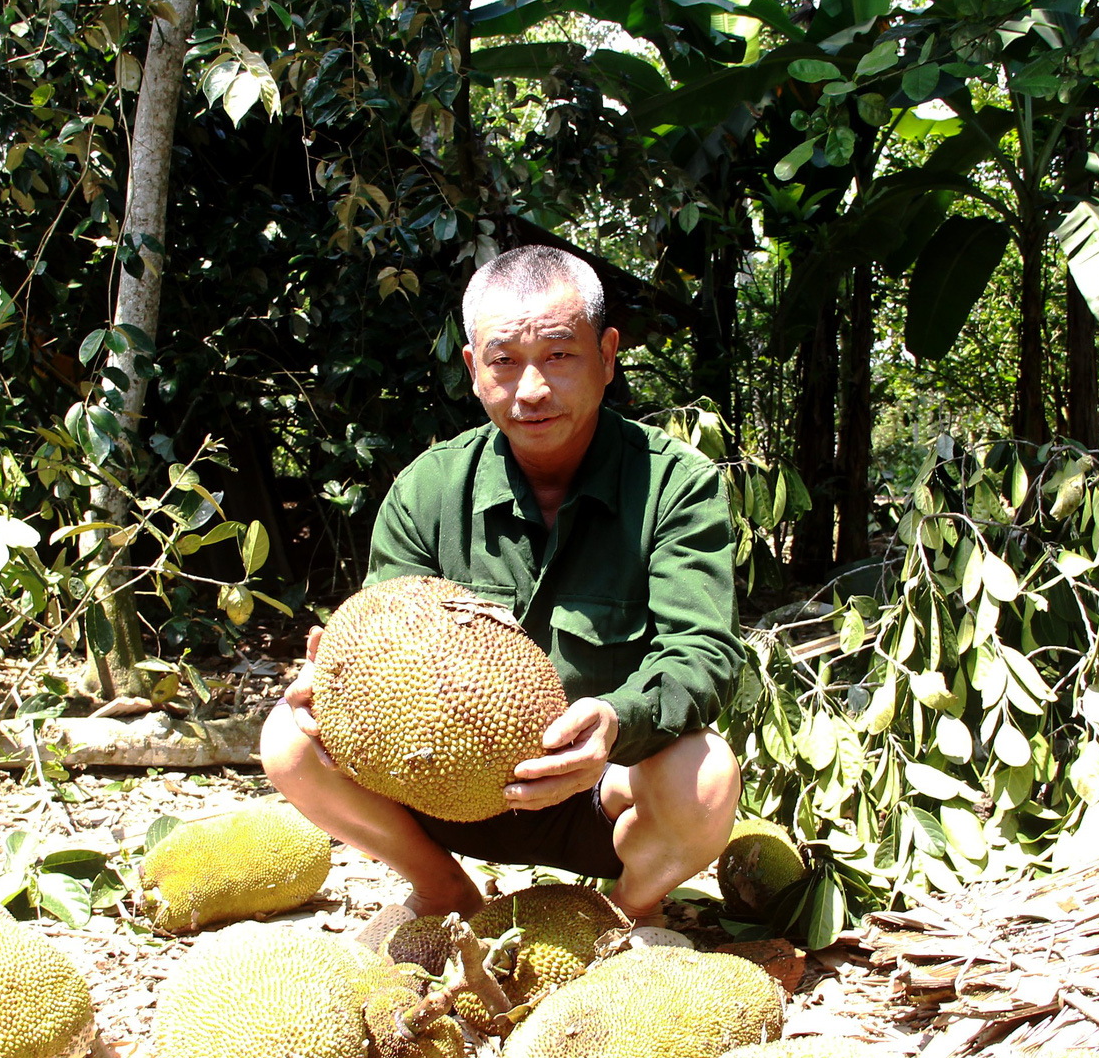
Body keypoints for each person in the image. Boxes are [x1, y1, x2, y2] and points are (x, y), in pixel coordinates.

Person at [258, 245, 744, 926]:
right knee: (287, 739)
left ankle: (629, 910)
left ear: (607, 356)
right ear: (472, 370)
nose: (532, 388)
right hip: (446, 790)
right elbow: (379, 642)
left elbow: (704, 658)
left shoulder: (675, 486)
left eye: (559, 356)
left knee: (709, 772)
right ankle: (443, 890)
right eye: (504, 360)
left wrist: (612, 722)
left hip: (600, 790)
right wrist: (334, 678)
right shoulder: (428, 488)